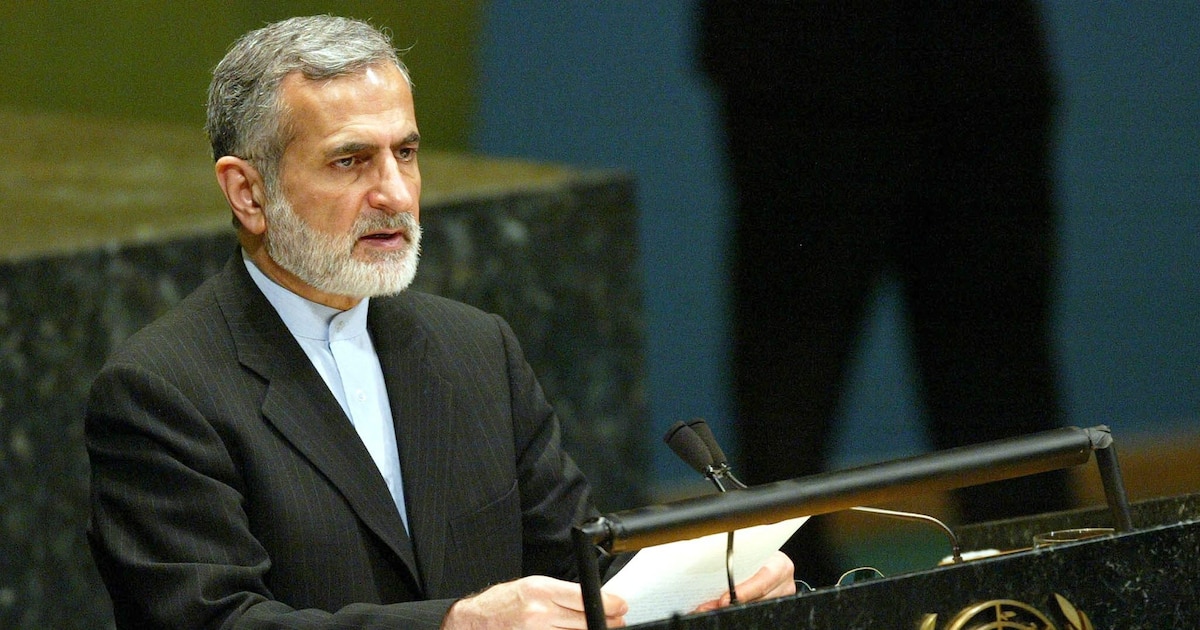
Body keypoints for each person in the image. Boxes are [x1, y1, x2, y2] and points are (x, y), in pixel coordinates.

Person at [84, 15, 793, 629]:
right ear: (247, 192)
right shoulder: (164, 390)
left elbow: (580, 569)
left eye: (406, 153)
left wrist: (711, 584)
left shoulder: (474, 348)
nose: (395, 194)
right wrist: (453, 624)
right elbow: (214, 620)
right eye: (350, 161)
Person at [698, 2, 1075, 586]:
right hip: (800, 69)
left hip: (973, 64)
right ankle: (783, 601)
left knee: (1004, 400)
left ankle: (1032, 598)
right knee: (788, 401)